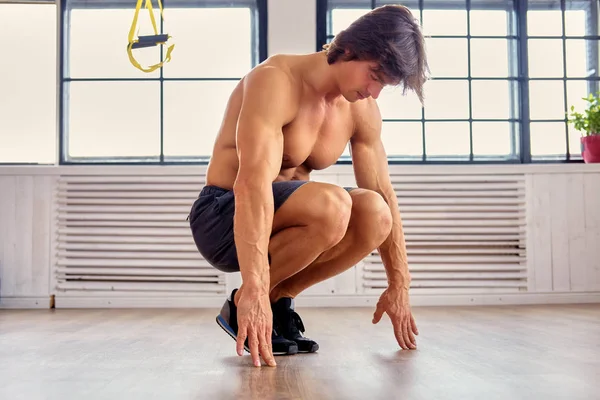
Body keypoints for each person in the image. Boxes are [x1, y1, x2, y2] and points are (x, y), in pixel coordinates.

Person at [188, 4, 429, 368]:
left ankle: (278, 299)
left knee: (375, 214)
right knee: (332, 205)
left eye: (384, 84)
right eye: (374, 75)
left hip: (279, 220)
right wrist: (251, 285)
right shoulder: (276, 80)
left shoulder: (360, 109)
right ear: (349, 49)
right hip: (223, 215)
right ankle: (248, 300)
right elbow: (252, 183)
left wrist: (400, 283)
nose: (374, 91)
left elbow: (383, 192)